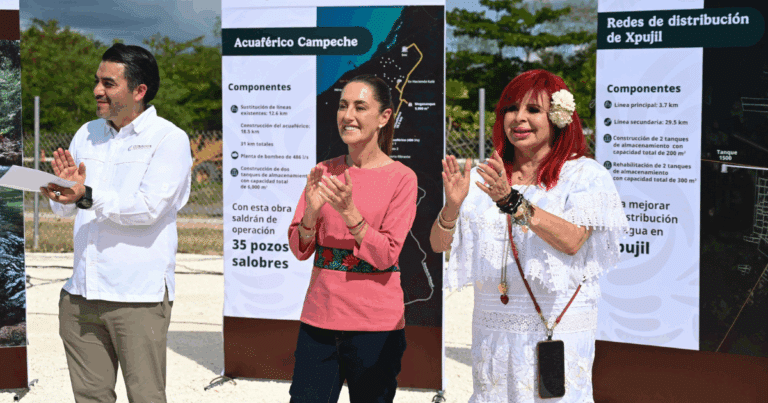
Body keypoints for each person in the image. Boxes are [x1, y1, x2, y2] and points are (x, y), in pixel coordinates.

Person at [430, 70, 628, 402]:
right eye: (511, 108)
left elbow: (573, 240)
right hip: (493, 330)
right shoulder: (484, 175)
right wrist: (451, 206)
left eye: (533, 110)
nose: (519, 118)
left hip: (554, 329)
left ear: (558, 118)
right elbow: (439, 244)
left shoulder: (584, 174)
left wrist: (512, 202)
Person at [40, 43, 192, 403]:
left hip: (136, 297)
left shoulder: (168, 139)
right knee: (90, 397)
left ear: (139, 91)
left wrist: (85, 194)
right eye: (97, 81)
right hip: (80, 295)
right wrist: (59, 194)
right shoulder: (87, 133)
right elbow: (67, 211)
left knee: (146, 397)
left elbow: (149, 208)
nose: (97, 91)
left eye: (108, 83)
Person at [287, 74, 417, 403]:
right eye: (343, 106)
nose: (348, 115)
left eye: (360, 107)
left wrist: (350, 214)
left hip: (376, 325)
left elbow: (387, 255)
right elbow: (299, 249)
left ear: (384, 117)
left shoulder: (402, 178)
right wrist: (312, 214)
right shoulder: (324, 171)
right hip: (319, 318)